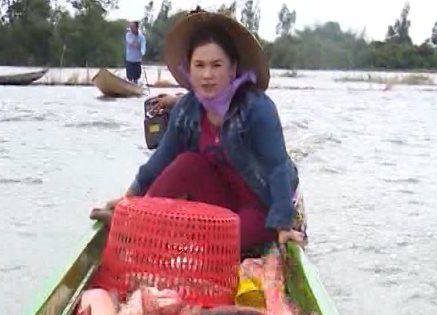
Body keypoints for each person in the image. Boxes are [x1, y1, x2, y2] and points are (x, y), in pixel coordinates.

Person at [92, 10, 306, 257]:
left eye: (216, 65)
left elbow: (277, 166)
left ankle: (178, 238)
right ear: (189, 70)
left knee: (219, 242)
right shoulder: (186, 109)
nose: (207, 75)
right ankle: (135, 220)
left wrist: (283, 224)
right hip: (220, 197)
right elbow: (162, 158)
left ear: (232, 69)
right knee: (186, 162)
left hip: (260, 203)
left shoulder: (257, 108)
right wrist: (128, 199)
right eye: (199, 65)